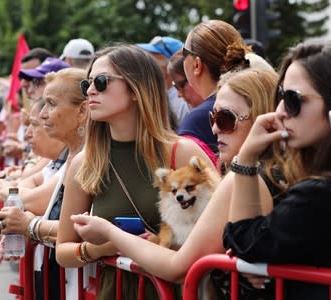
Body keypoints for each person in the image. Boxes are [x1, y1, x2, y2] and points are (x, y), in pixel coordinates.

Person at [68, 57, 279, 290]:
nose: (215, 128)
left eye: (225, 119)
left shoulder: (230, 172)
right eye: (213, 117)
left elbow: (179, 266)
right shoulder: (85, 162)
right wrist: (95, 249)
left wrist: (110, 233)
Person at [55, 44, 215, 299]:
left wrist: (129, 241)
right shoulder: (85, 162)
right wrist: (100, 248)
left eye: (102, 81)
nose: (91, 91)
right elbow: (63, 250)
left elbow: (213, 237)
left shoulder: (181, 153)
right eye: (87, 85)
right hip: (114, 291)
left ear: (136, 90)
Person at [223, 41, 331, 299]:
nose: (280, 111)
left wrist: (247, 158)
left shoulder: (316, 195)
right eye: (281, 96)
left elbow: (243, 240)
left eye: (293, 99)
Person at [0, 67, 88, 300]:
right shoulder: (74, 158)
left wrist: (28, 225)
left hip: (78, 284)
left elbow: (84, 230)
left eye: (51, 104)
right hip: (60, 278)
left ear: (82, 111)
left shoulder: (89, 159)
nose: (44, 114)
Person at [178, 20, 251, 155]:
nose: (215, 128)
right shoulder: (258, 100)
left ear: (197, 65)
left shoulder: (195, 123)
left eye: (184, 53)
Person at [137, 36, 191, 131]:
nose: (147, 61)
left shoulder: (183, 100)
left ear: (171, 61)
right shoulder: (152, 95)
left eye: (153, 55)